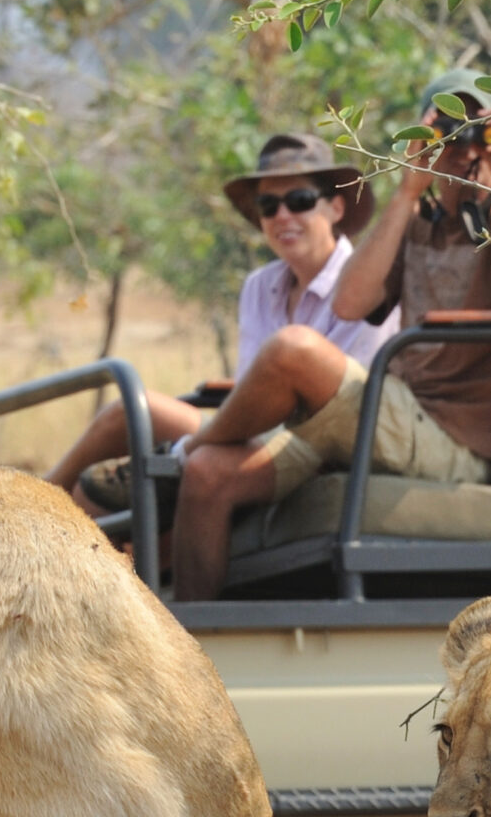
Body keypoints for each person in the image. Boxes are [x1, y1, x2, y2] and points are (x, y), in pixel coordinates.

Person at [59, 85, 491, 602]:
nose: (461, 151)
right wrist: (406, 191)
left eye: (475, 136)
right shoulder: (418, 223)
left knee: (294, 350)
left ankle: (180, 449)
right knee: (208, 473)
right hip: (394, 416)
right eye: (444, 136)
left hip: (458, 441)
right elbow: (349, 303)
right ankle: (193, 642)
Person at [48, 133, 397, 581]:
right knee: (107, 458)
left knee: (168, 441)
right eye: (269, 206)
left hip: (323, 440)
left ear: (336, 208)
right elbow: (253, 389)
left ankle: (183, 622)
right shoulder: (261, 287)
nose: (283, 216)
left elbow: (349, 404)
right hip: (260, 427)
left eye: (300, 199)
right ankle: (23, 525)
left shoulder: (363, 280)